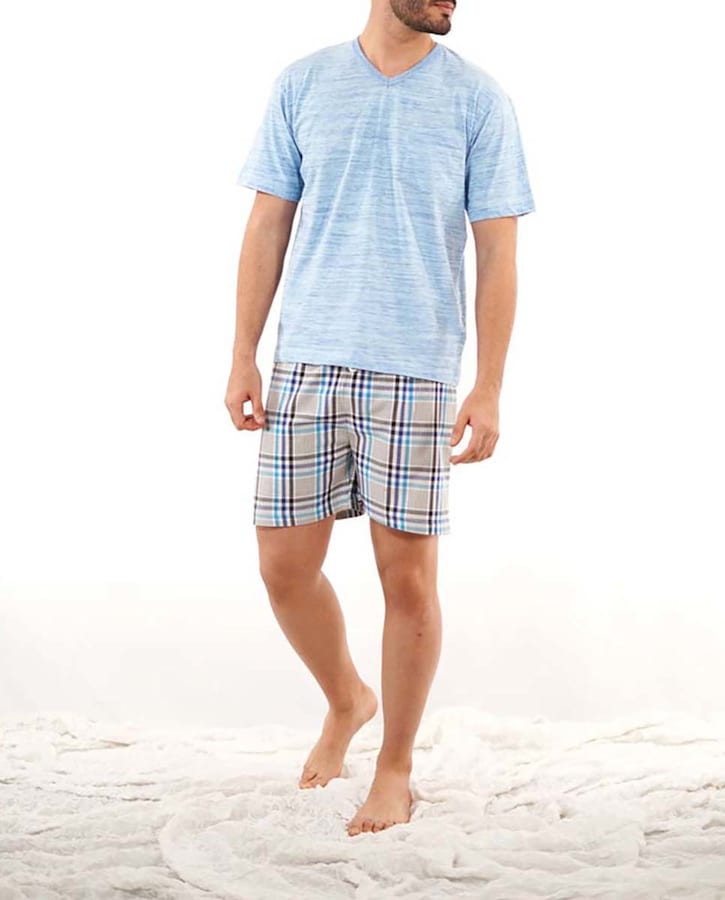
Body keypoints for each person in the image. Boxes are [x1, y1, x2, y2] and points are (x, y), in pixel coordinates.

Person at [225, 0, 535, 837]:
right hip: (306, 360)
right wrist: (243, 353)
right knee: (284, 568)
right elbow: (267, 222)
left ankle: (395, 766)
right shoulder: (303, 84)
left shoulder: (478, 99)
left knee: (407, 581)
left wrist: (488, 384)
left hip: (416, 367)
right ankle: (346, 699)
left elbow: (498, 249)